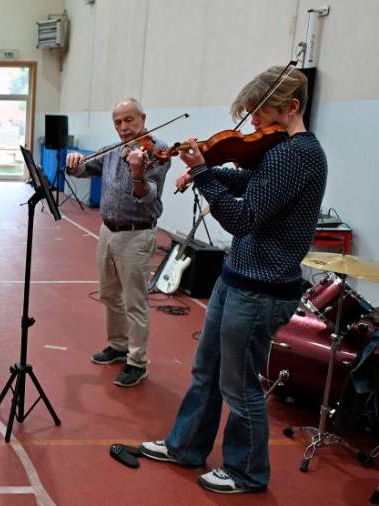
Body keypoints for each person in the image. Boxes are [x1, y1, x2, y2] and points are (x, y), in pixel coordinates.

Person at [139, 66, 326, 494]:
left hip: (261, 289)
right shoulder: (279, 151)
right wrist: (207, 170)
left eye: (260, 112)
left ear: (291, 107)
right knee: (206, 370)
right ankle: (186, 446)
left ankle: (247, 472)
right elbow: (251, 182)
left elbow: (244, 218)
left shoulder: (297, 154)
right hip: (238, 277)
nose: (253, 122)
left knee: (239, 386)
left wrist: (204, 174)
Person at [65, 98, 171, 387]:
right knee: (110, 294)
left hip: (136, 233)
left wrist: (137, 174)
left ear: (143, 119)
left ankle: (137, 362)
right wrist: (74, 162)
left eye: (129, 120)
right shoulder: (112, 150)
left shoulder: (157, 151)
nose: (123, 127)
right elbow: (85, 169)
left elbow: (148, 196)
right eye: (118, 122)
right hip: (107, 230)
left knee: (135, 301)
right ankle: (118, 345)